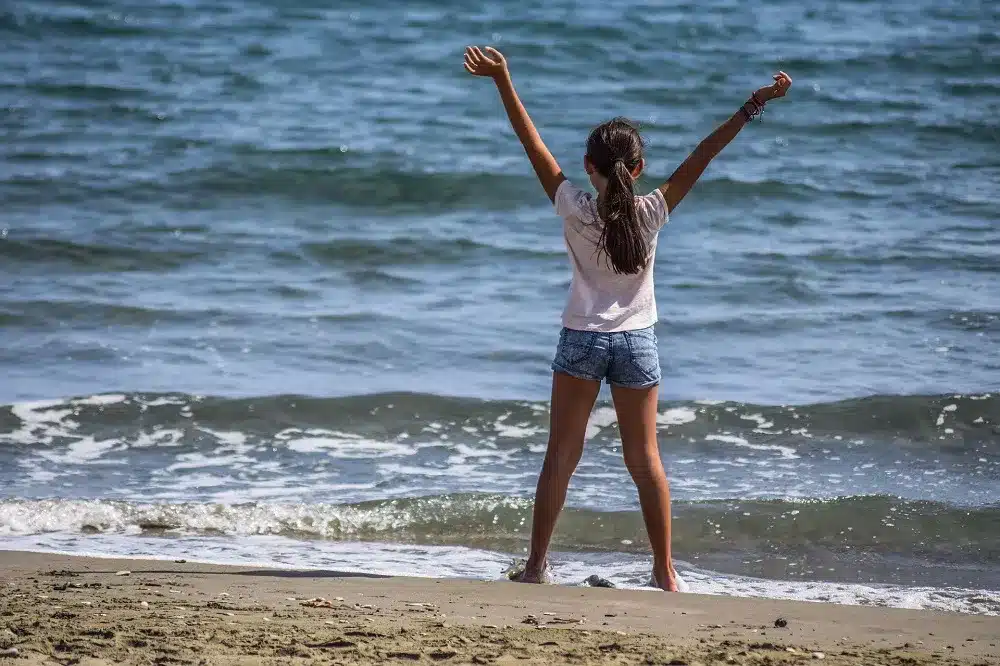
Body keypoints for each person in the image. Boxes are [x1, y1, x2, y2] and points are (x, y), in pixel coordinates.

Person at [464, 46, 792, 591]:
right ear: (637, 170)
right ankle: (665, 572)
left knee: (560, 458)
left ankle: (536, 566)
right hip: (637, 342)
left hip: (581, 340)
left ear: (590, 168)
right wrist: (753, 104)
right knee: (645, 460)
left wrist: (503, 79)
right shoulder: (653, 211)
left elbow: (531, 143)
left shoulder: (573, 204)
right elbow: (703, 154)